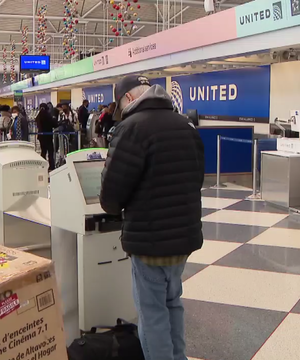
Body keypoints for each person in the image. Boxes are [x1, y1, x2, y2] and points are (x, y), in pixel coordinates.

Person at [100, 75, 204, 360]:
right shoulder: (185, 125)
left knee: (152, 313)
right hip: (183, 238)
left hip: (149, 242)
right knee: (173, 304)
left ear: (130, 99)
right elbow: (198, 179)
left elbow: (111, 195)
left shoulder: (131, 128)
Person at [36, 103, 58, 170]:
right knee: (50, 152)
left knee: (43, 151)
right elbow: (54, 124)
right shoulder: (48, 115)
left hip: (41, 136)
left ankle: (42, 165)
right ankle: (51, 166)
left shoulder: (38, 116)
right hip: (48, 136)